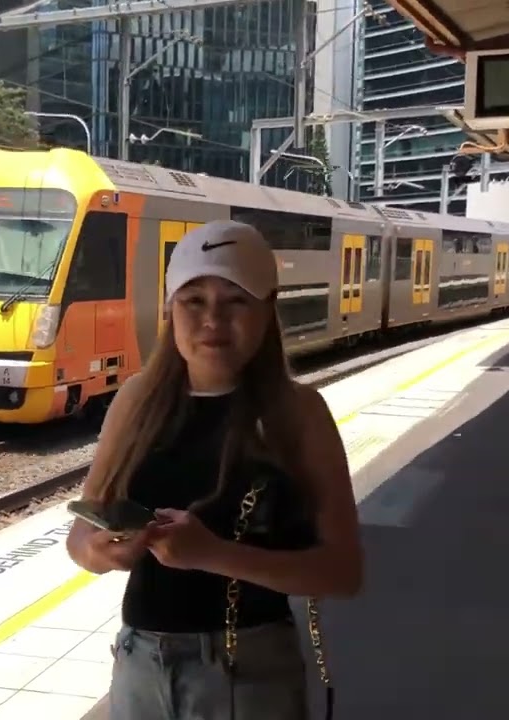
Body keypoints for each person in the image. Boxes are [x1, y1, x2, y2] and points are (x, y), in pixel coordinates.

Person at [66, 219, 364, 720]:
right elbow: (80, 535)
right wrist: (102, 554)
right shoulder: (137, 401)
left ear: (268, 309)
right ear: (169, 308)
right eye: (193, 300)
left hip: (249, 671)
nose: (212, 321)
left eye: (235, 301)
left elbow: (343, 572)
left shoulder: (298, 414)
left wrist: (213, 554)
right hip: (140, 663)